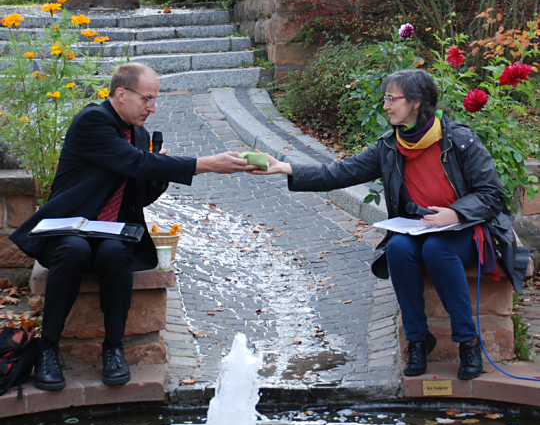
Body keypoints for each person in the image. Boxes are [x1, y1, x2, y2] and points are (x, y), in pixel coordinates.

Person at [249, 69, 530, 380]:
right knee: (396, 248)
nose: (385, 106)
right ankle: (418, 339)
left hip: (462, 230)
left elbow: (492, 194)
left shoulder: (459, 140)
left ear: (415, 102)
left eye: (390, 99)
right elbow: (338, 173)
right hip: (416, 227)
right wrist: (285, 167)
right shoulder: (389, 146)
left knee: (438, 250)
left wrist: (457, 213)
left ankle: (468, 342)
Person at [10, 62, 257, 391]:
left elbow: (137, 192)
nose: (152, 108)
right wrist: (206, 164)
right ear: (121, 94)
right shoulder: (93, 120)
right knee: (73, 249)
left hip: (110, 232)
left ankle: (114, 348)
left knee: (115, 252)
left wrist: (158, 172)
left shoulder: (138, 135)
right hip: (67, 228)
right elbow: (133, 162)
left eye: (155, 100)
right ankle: (48, 349)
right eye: (147, 99)